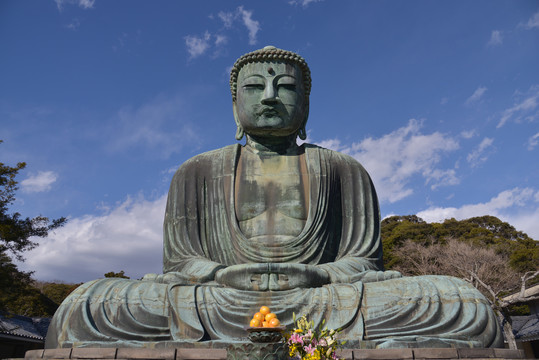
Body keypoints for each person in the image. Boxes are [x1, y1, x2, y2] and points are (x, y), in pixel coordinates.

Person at [45, 46, 502, 349]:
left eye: (284, 88)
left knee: (462, 302)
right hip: (218, 299)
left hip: (324, 299)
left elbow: (364, 263)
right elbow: (181, 265)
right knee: (88, 305)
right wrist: (223, 273)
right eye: (254, 88)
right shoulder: (196, 171)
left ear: (305, 104)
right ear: (234, 106)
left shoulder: (344, 170)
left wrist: (312, 274)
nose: (269, 97)